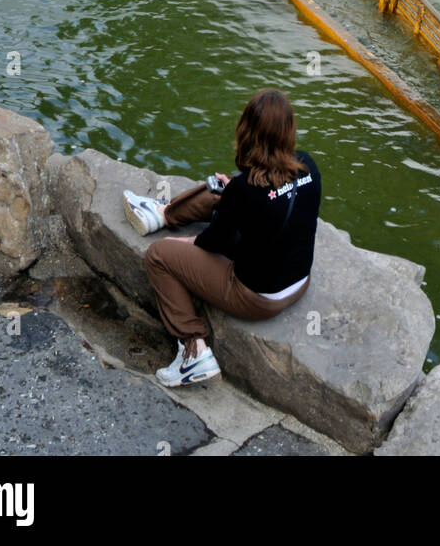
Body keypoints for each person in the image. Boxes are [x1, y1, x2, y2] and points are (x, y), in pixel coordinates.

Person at [122, 88, 321, 389]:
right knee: (223, 193)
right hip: (299, 282)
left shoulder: (246, 190)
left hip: (256, 297)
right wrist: (230, 196)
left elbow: (212, 243)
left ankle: (193, 350)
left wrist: (184, 245)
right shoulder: (308, 165)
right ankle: (162, 214)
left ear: (247, 130)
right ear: (288, 130)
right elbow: (268, 204)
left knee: (158, 255)